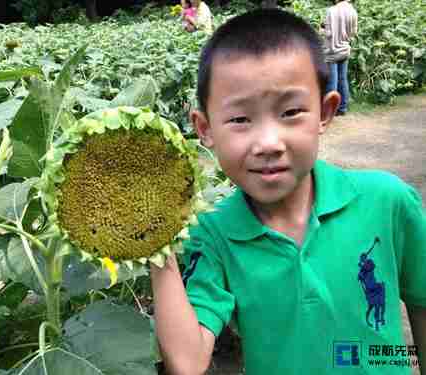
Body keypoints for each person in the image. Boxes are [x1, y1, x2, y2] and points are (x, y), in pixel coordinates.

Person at [151, 8, 426, 375]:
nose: (268, 143)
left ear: (325, 113)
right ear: (205, 129)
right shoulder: (211, 235)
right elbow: (187, 362)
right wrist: (153, 243)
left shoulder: (387, 202)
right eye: (240, 119)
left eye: (291, 111)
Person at [322, 0, 358, 116]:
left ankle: (329, 111)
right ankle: (342, 108)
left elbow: (328, 33)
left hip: (332, 51)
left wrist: (321, 29)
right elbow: (353, 33)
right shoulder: (352, 11)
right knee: (343, 79)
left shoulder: (331, 11)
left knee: (332, 81)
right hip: (344, 49)